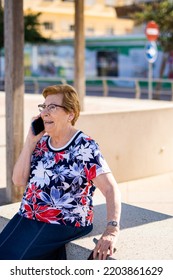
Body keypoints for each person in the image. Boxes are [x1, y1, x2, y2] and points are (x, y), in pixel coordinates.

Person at [0, 84, 121, 260]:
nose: (45, 112)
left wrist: (112, 229)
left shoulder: (85, 147)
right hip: (28, 217)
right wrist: (29, 142)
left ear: (70, 114)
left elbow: (111, 189)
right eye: (43, 107)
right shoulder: (41, 143)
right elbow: (18, 180)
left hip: (62, 222)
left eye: (52, 107)